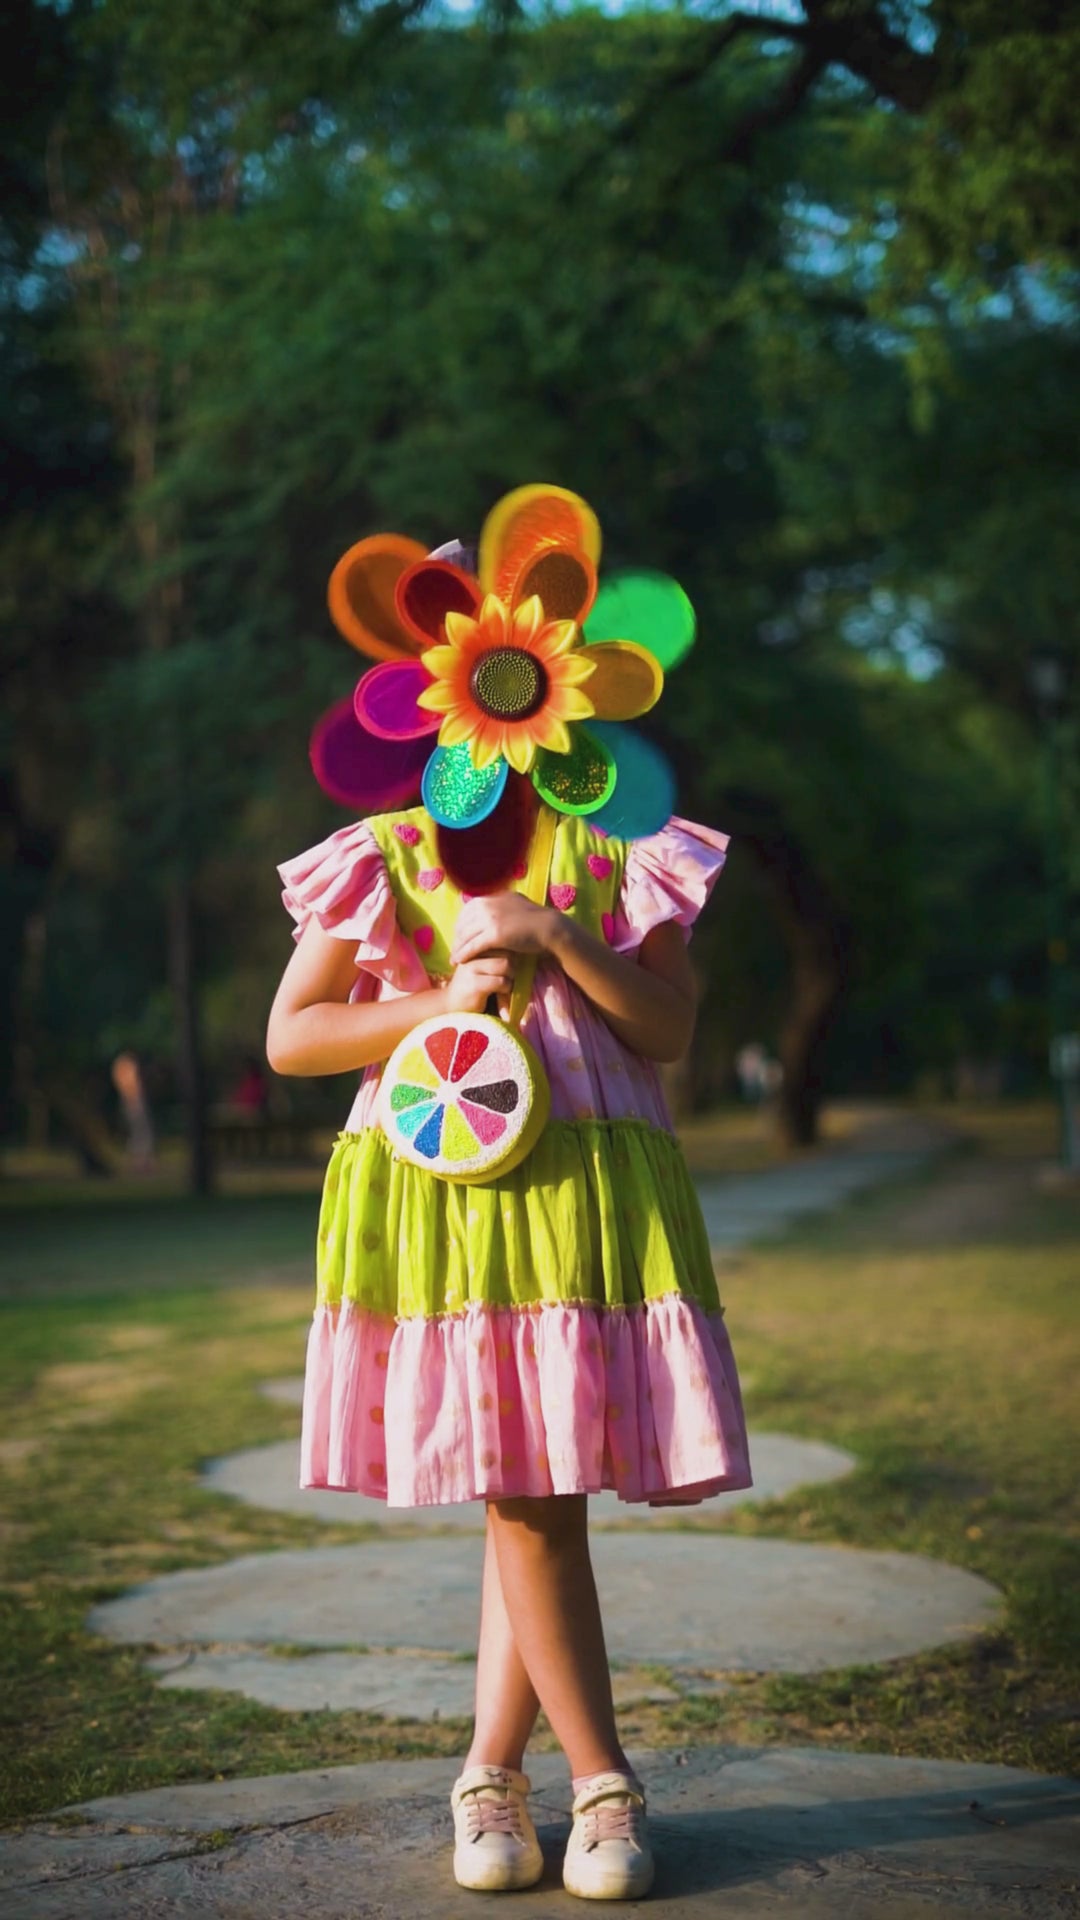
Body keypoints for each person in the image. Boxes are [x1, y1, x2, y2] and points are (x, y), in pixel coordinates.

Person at [266, 489, 751, 1901]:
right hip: (454, 1191)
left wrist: (552, 936)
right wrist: (425, 1003)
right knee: (529, 1495)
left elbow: (665, 1035)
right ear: (417, 700)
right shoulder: (392, 857)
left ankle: (492, 1776)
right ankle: (600, 1784)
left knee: (531, 1484)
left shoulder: (614, 851)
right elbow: (295, 1038)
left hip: (592, 1197)